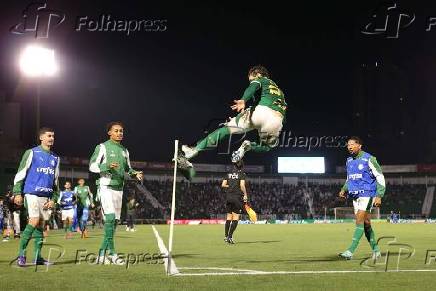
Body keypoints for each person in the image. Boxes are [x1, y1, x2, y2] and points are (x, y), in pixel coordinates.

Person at [179, 65, 287, 180]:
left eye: (250, 78)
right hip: (277, 120)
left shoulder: (261, 79)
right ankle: (248, 145)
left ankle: (194, 150)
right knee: (266, 146)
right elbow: (283, 117)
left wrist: (243, 100)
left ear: (258, 74)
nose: (250, 81)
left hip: (260, 112)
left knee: (225, 130)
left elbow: (253, 87)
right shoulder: (279, 92)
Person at [89, 121, 143, 265]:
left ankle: (102, 254)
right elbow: (92, 166)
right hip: (106, 186)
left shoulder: (125, 150)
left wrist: (135, 174)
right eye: (116, 131)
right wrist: (106, 166)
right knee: (111, 218)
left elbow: (128, 169)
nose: (120, 133)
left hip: (119, 188)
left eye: (121, 131)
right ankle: (112, 254)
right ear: (109, 133)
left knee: (115, 222)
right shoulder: (102, 147)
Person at [12, 127, 60, 266]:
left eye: (53, 136)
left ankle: (38, 257)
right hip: (31, 193)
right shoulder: (32, 153)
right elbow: (21, 173)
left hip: (46, 197)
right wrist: (17, 192)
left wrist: (54, 199)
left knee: (40, 226)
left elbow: (56, 181)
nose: (51, 138)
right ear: (41, 138)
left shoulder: (56, 158)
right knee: (34, 221)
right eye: (49, 135)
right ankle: (21, 255)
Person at [338, 136, 385, 260]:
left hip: (367, 193)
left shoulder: (369, 159)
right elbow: (350, 178)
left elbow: (379, 176)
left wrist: (379, 195)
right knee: (366, 224)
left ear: (360, 145)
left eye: (352, 144)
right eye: (348, 145)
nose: (349, 147)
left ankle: (350, 251)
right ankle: (376, 250)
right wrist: (344, 189)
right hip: (355, 196)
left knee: (359, 219)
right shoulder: (349, 161)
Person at [221, 160, 248, 244]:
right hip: (237, 198)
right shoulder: (242, 174)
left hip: (228, 197)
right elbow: (242, 185)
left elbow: (223, 185)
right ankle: (230, 237)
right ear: (242, 166)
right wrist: (245, 194)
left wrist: (231, 186)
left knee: (229, 217)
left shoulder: (228, 174)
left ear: (234, 166)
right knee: (235, 218)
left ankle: (226, 237)